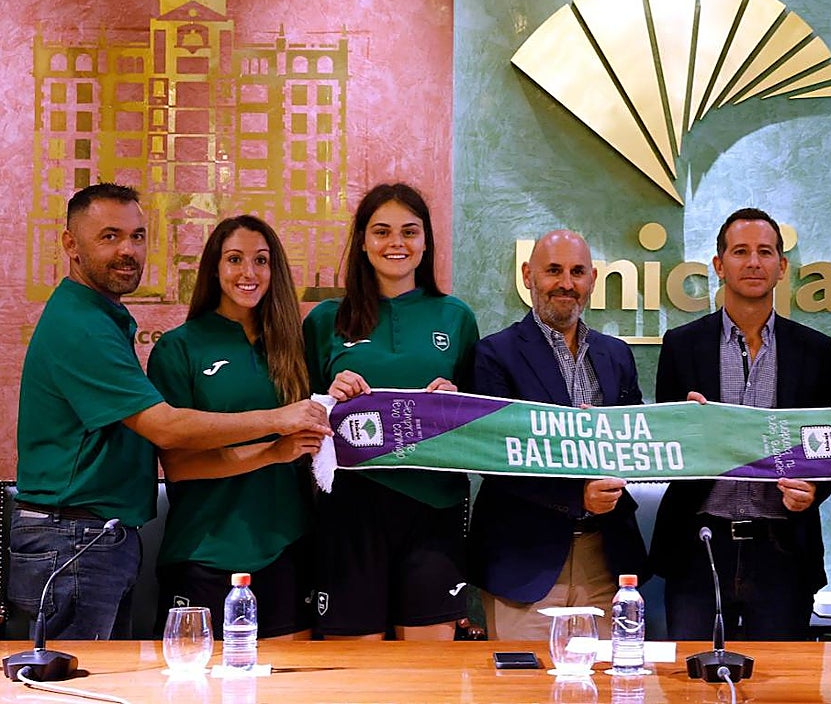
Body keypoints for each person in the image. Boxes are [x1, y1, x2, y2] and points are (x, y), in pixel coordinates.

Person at [10, 184, 330, 640]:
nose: (128, 249)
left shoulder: (103, 316)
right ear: (70, 244)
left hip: (102, 536)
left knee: (100, 680)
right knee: (75, 683)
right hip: (75, 538)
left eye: (137, 236)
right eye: (109, 236)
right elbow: (165, 430)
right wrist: (279, 425)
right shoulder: (84, 326)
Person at [649, 207, 831, 641]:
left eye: (765, 252)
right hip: (699, 544)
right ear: (719, 265)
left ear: (782, 266)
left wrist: (813, 492)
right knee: (691, 682)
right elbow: (665, 448)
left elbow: (828, 445)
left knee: (780, 686)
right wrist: (686, 426)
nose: (753, 262)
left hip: (782, 549)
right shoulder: (681, 346)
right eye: (740, 251)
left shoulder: (814, 350)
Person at [303, 183, 479, 640]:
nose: (395, 243)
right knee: (354, 673)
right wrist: (328, 394)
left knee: (428, 674)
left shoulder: (456, 316)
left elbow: (479, 420)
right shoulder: (327, 319)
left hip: (434, 506)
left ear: (426, 241)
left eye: (409, 231)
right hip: (350, 509)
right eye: (382, 231)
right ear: (362, 241)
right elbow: (299, 415)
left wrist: (455, 397)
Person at [147, 215, 321, 639]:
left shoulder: (296, 347)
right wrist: (274, 450)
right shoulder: (179, 347)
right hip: (203, 550)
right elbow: (180, 465)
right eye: (235, 259)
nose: (249, 273)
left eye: (261, 260)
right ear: (214, 268)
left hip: (285, 544)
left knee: (289, 690)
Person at [467, 229, 647, 640]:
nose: (566, 283)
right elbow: (493, 458)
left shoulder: (616, 354)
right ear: (528, 275)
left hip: (606, 559)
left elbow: (636, 441)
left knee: (608, 688)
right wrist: (576, 496)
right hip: (522, 563)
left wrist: (687, 419)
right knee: (525, 691)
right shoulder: (494, 355)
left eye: (577, 272)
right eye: (553, 271)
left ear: (592, 280)